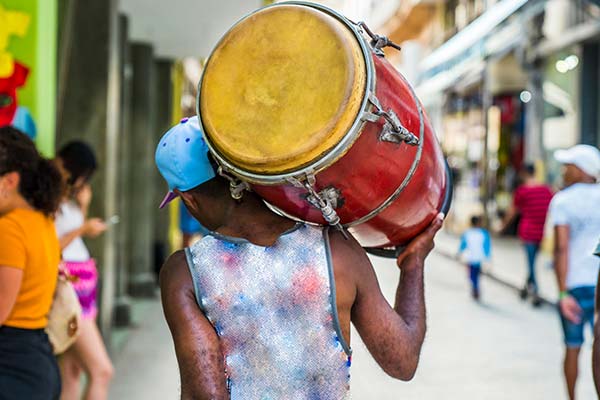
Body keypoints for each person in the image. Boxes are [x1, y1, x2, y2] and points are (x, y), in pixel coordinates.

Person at [155, 117, 444, 399]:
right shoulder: (337, 247)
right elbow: (402, 360)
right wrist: (412, 265)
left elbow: (207, 393)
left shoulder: (185, 273)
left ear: (189, 199)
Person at [0, 127, 64, 400]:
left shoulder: (9, 228)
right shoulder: (42, 220)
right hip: (36, 360)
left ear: (10, 181)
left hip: (12, 366)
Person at [54, 141, 113, 400]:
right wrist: (82, 228)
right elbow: (52, 245)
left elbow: (74, 240)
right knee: (102, 371)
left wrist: (84, 209)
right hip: (69, 292)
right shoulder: (48, 196)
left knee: (72, 371)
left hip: (82, 289)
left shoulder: (69, 197)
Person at [548, 144, 600, 400]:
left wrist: (562, 293)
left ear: (582, 170)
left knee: (572, 348)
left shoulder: (563, 201)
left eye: (569, 166)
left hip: (575, 286)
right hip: (598, 283)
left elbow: (561, 249)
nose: (564, 171)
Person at [501, 164, 553, 306]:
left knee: (530, 263)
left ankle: (535, 292)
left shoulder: (522, 191)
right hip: (541, 233)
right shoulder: (546, 190)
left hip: (528, 232)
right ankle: (525, 288)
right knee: (532, 261)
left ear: (524, 173)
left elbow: (513, 212)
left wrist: (503, 228)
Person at [458, 215, 491, 300]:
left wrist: (459, 253)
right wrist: (487, 257)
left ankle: (475, 287)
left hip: (470, 258)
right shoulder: (484, 233)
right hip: (478, 257)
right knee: (475, 274)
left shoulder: (467, 233)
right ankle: (476, 287)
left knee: (471, 274)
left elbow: (463, 245)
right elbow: (487, 246)